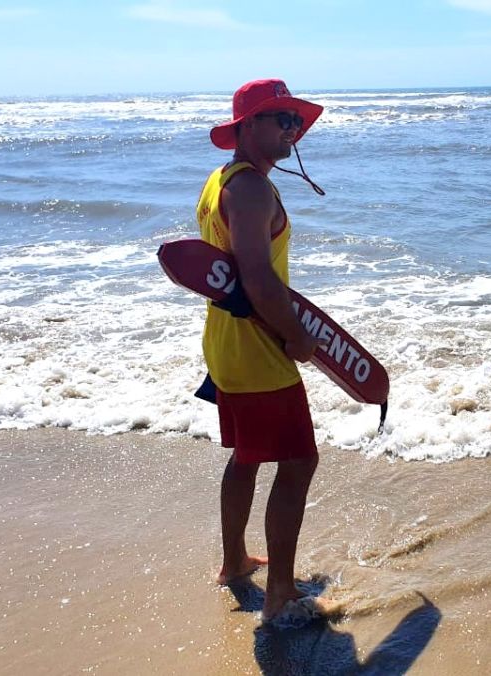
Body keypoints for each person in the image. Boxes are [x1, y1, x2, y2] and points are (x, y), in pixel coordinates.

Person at [196, 78, 334, 624]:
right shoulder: (251, 188)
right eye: (281, 119)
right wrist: (296, 337)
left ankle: (235, 562)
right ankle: (279, 591)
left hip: (227, 339)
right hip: (257, 346)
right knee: (299, 461)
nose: (291, 130)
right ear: (247, 126)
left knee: (249, 454)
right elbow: (257, 277)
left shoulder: (221, 180)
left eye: (294, 122)